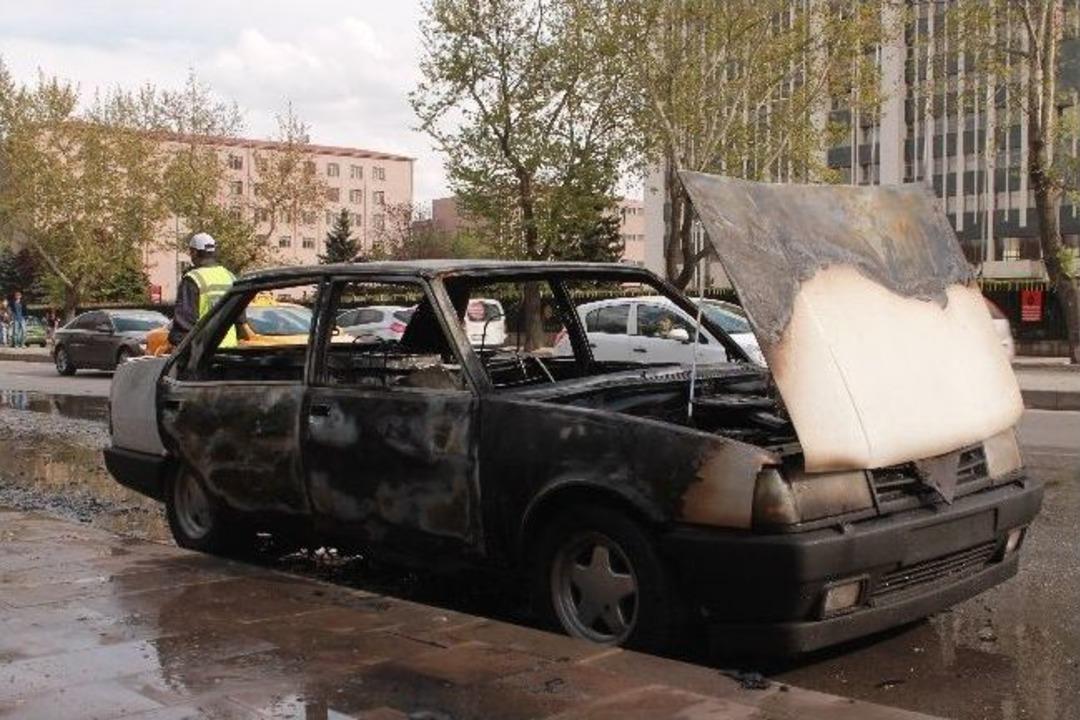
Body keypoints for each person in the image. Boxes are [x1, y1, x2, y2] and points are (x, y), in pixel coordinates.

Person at [168, 233, 238, 348]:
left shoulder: (193, 279)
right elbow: (240, 319)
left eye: (191, 252)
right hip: (229, 353)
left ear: (194, 252)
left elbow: (184, 323)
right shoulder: (230, 277)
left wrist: (176, 341)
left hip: (204, 353)